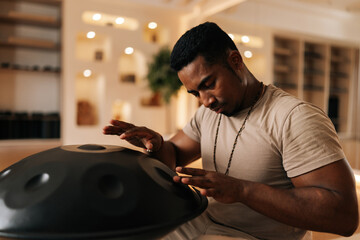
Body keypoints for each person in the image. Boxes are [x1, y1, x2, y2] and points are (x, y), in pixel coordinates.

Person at [103, 22, 358, 240]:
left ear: (235, 61)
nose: (205, 100)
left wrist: (242, 191)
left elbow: (344, 217)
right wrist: (157, 144)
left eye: (209, 84)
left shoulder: (294, 117)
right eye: (196, 93)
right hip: (204, 222)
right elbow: (174, 157)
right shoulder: (209, 112)